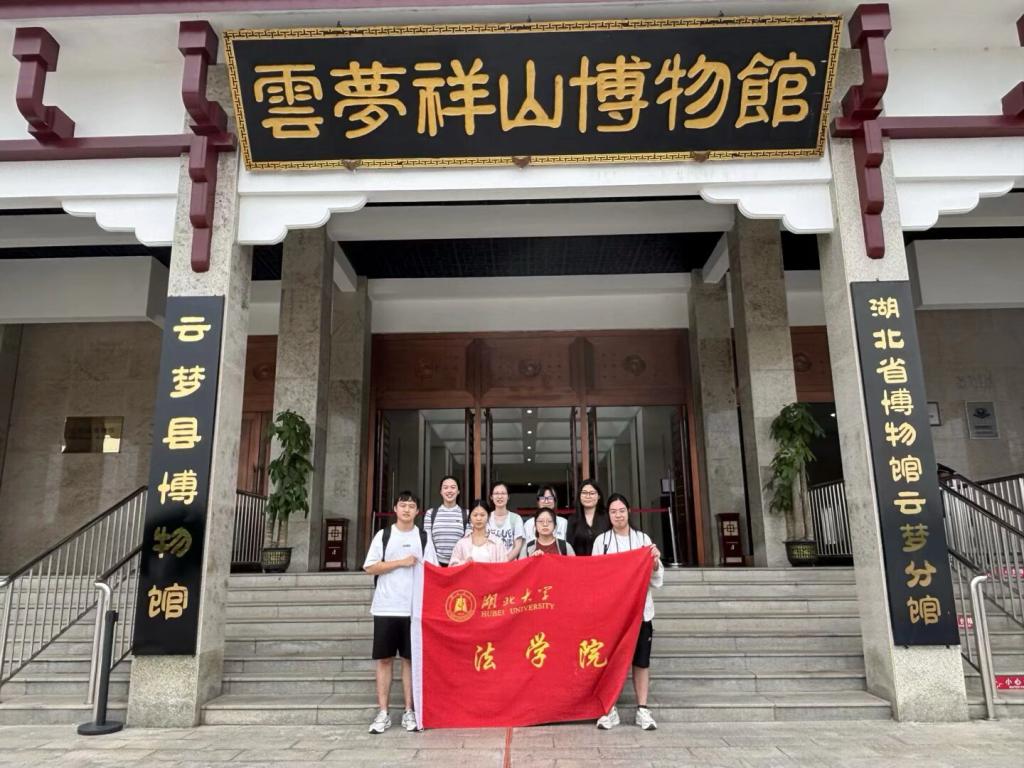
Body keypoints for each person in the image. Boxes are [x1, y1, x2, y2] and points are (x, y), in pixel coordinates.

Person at [362, 490, 436, 734]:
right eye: (403, 505)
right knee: (384, 659)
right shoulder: (384, 535)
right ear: (395, 509)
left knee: (409, 660)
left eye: (411, 506)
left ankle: (409, 711)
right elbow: (370, 566)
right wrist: (401, 562)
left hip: (413, 609)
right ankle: (383, 712)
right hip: (386, 606)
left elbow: (433, 570)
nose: (407, 509)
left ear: (418, 511)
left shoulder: (423, 537)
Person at [591, 493, 663, 731]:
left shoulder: (643, 540)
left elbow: (655, 577)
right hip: (612, 614)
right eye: (613, 512)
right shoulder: (601, 542)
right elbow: (595, 576)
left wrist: (654, 562)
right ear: (608, 515)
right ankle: (609, 708)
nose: (618, 515)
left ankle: (642, 709)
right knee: (610, 661)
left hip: (641, 613)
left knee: (641, 661)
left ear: (628, 511)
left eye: (621, 510)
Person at [423, 475, 467, 567]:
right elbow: (428, 541)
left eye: (453, 487)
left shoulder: (467, 514)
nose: (449, 490)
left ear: (458, 491)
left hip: (459, 564)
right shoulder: (430, 513)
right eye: (445, 488)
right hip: (436, 564)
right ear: (441, 491)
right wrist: (435, 564)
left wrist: (458, 563)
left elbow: (468, 541)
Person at [449, 500, 510, 565]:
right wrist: (464, 563)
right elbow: (452, 566)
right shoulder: (461, 543)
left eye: (482, 515)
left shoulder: (497, 543)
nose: (478, 518)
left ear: (488, 516)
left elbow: (504, 567)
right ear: (470, 517)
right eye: (475, 515)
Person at [565, 478, 610, 557]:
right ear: (579, 496)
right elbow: (569, 547)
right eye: (584, 493)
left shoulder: (607, 517)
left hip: (603, 562)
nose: (588, 496)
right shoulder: (572, 519)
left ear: (599, 496)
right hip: (579, 563)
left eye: (592, 493)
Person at [485, 481, 526, 559]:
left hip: (510, 563)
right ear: (491, 497)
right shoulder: (486, 518)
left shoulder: (516, 518)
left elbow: (518, 546)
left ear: (508, 497)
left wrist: (505, 561)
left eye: (503, 493)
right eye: (496, 493)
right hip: (489, 562)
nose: (500, 496)